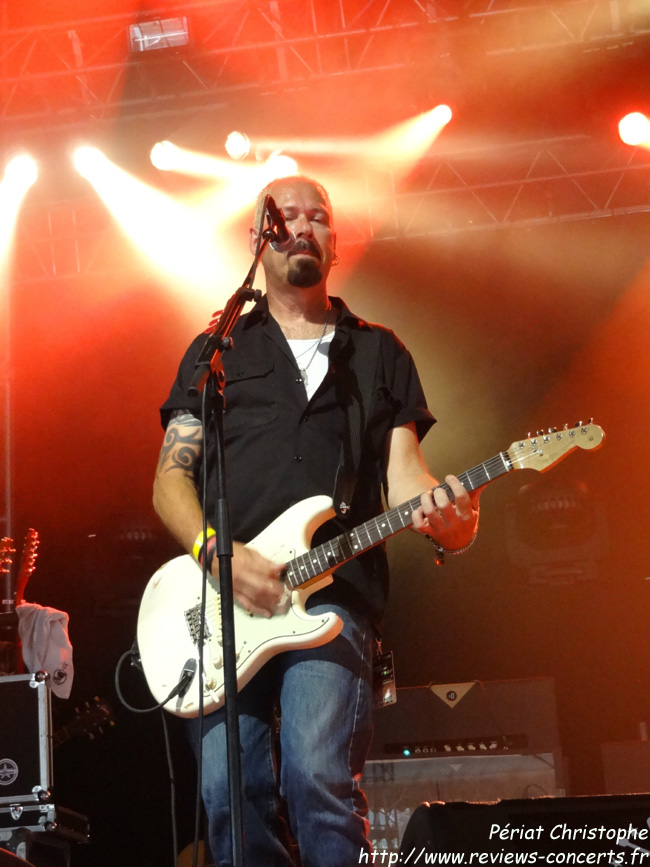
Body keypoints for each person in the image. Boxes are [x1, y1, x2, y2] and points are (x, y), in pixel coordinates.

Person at [152, 176, 481, 866]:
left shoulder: (378, 352)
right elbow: (169, 481)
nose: (304, 226)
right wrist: (219, 554)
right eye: (287, 216)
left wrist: (446, 519)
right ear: (258, 240)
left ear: (336, 242)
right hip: (224, 607)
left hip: (332, 595)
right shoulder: (215, 353)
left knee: (316, 777)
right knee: (225, 793)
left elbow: (405, 480)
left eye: (320, 217)